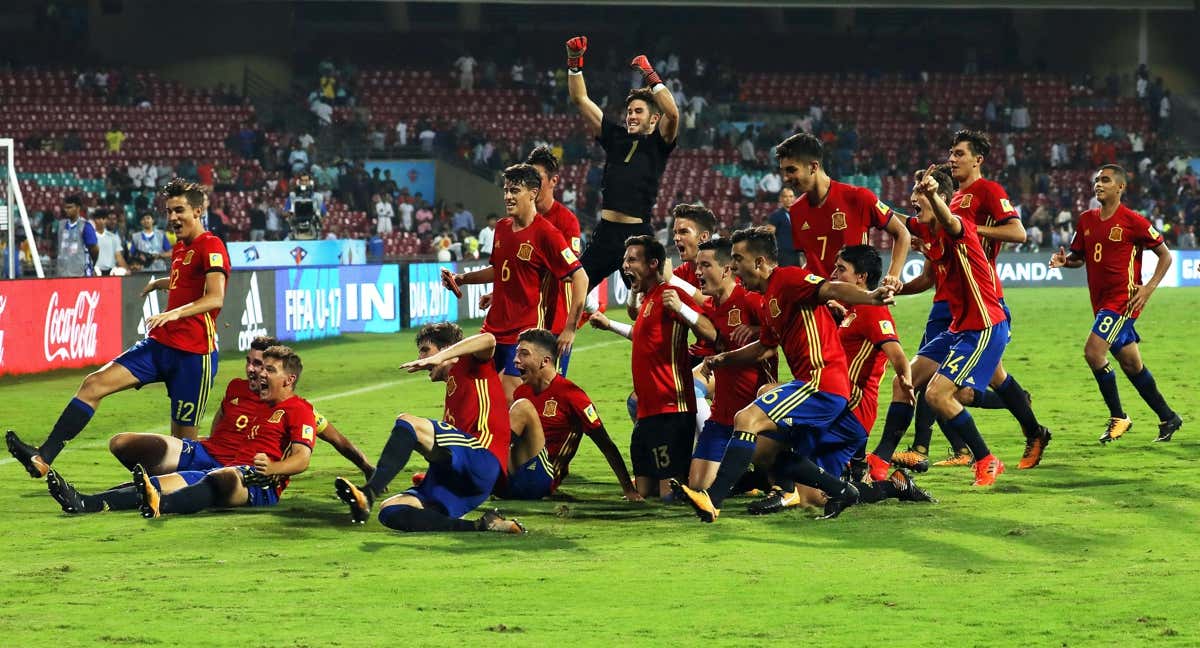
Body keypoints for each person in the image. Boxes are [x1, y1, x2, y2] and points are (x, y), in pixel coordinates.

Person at [8, 180, 230, 479]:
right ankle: (43, 457)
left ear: (199, 211)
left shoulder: (211, 245)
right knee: (93, 384)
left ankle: (214, 482)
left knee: (181, 445)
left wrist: (174, 313)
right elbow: (187, 281)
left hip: (194, 356)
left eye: (180, 210)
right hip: (160, 345)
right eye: (169, 211)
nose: (173, 217)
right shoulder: (180, 248)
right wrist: (161, 283)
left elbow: (215, 297)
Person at [671, 226, 896, 522]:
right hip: (813, 385)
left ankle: (712, 501)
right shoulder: (767, 300)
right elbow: (764, 347)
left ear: (761, 263)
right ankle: (842, 491)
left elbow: (830, 288)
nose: (734, 266)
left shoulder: (789, 278)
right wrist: (724, 358)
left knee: (746, 418)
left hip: (820, 382)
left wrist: (870, 297)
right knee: (768, 453)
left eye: (738, 258)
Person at [901, 131, 1051, 471]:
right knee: (993, 377)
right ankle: (1033, 431)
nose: (952, 159)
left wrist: (968, 230)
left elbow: (1018, 233)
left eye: (959, 153)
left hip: (983, 297)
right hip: (957, 297)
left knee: (938, 381)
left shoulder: (987, 191)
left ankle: (933, 448)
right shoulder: (953, 200)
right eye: (951, 153)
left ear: (978, 160)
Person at [867, 166, 1011, 487]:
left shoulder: (957, 225)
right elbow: (895, 219)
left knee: (938, 394)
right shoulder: (926, 230)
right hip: (958, 328)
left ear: (941, 197)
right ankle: (879, 459)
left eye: (920, 194)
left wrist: (931, 192)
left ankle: (986, 459)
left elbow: (948, 219)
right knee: (904, 381)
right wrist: (862, 201)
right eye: (915, 194)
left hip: (984, 325)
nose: (914, 198)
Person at [332, 324, 527, 533]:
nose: (421, 358)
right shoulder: (453, 395)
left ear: (446, 348)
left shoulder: (471, 364)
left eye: (425, 350)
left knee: (408, 422)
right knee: (390, 510)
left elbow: (489, 339)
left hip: (483, 458)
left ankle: (368, 493)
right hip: (465, 484)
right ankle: (481, 526)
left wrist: (442, 357)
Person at [1049, 165, 1181, 443]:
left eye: (1105, 180)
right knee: (1132, 365)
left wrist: (1148, 288)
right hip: (1100, 303)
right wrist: (1065, 262)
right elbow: (1079, 257)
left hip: (1123, 300)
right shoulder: (1086, 220)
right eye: (1096, 180)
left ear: (1120, 187)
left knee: (1093, 353)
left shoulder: (1133, 221)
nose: (1098, 184)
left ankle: (1119, 417)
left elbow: (1165, 256)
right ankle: (1168, 417)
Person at [441, 165, 587, 402]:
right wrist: (463, 279)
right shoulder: (502, 227)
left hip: (524, 333)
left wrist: (570, 328)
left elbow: (580, 276)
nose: (508, 196)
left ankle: (528, 439)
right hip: (492, 330)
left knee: (511, 397)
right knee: (469, 390)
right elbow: (500, 270)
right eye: (506, 190)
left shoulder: (547, 234)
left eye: (515, 190)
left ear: (532, 193)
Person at [131, 345, 316, 518]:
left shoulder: (300, 409)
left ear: (289, 379)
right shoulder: (262, 407)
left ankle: (162, 505)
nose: (262, 374)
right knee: (160, 482)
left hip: (261, 484)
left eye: (270, 370)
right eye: (263, 368)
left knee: (221, 477)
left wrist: (273, 468)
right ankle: (103, 502)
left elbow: (302, 458)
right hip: (229, 468)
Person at [565, 36, 680, 290]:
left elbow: (673, 113)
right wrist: (574, 62)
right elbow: (581, 99)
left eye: (638, 111)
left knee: (651, 302)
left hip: (639, 234)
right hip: (606, 232)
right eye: (629, 111)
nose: (631, 116)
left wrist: (649, 75)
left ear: (653, 119)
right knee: (573, 290)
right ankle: (562, 331)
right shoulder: (615, 136)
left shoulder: (659, 143)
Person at [620, 235, 716, 499]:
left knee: (668, 495)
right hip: (647, 411)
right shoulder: (649, 298)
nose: (625, 265)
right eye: (625, 260)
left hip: (671, 409)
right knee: (643, 492)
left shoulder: (670, 295)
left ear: (653, 264)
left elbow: (712, 330)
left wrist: (682, 308)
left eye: (632, 259)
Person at [508, 328, 641, 500]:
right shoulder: (521, 392)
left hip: (541, 480)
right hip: (517, 475)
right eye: (516, 353)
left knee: (522, 408)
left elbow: (606, 444)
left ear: (544, 361)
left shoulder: (572, 396)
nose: (515, 360)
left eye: (524, 354)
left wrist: (629, 490)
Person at [688, 239, 774, 492]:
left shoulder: (750, 300)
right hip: (721, 417)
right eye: (697, 266)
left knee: (777, 478)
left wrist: (758, 329)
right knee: (697, 485)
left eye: (705, 265)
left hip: (754, 418)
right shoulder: (712, 309)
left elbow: (775, 338)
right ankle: (742, 478)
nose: (698, 272)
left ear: (726, 269)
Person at [777, 133, 910, 287]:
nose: (785, 178)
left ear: (813, 167)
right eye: (783, 171)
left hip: (858, 300)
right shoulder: (796, 211)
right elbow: (811, 261)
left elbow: (902, 233)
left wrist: (893, 275)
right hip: (822, 304)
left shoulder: (858, 197)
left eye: (791, 170)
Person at [527, 145, 583, 374]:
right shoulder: (521, 219)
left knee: (550, 392)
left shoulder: (567, 222)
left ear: (553, 181)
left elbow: (572, 274)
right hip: (525, 320)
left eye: (538, 177)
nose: (533, 184)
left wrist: (570, 328)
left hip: (556, 322)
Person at [55, 194, 98, 277]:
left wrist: (90, 264)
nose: (67, 210)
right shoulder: (61, 225)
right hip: (62, 274)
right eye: (66, 207)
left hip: (80, 274)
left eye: (70, 207)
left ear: (78, 208)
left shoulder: (85, 226)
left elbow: (94, 249)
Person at [764, 187, 798, 267]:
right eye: (785, 196)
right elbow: (769, 234)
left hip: (796, 254)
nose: (788, 199)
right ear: (780, 199)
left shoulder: (798, 214)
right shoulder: (775, 215)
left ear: (795, 198)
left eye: (791, 196)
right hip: (783, 254)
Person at [286, 173, 325, 240]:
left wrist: (318, 216)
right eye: (302, 180)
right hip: (296, 228)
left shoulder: (318, 197)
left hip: (312, 228)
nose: (304, 183)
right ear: (299, 182)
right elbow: (287, 213)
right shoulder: (292, 196)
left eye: (306, 180)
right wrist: (291, 215)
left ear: (310, 182)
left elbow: (322, 215)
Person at [92, 208, 128, 276]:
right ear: (94, 220)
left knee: (122, 271)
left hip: (111, 271)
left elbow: (118, 256)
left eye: (103, 219)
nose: (101, 221)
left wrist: (127, 270)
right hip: (95, 270)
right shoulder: (90, 236)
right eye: (98, 218)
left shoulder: (114, 237)